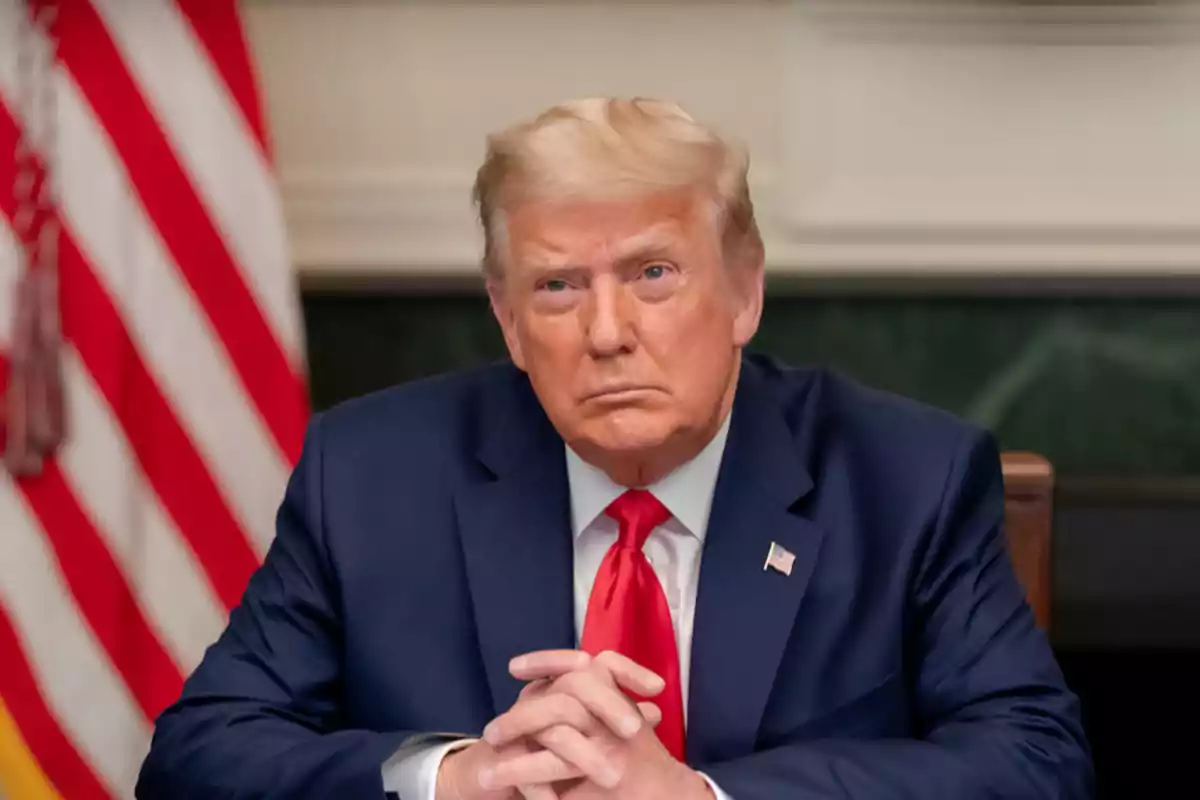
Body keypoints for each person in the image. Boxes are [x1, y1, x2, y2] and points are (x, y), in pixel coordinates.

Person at [136, 97, 1093, 799]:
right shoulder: (374, 476)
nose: (607, 331)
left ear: (744, 295)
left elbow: (1035, 763)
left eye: (654, 273)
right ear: (508, 323)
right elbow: (199, 756)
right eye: (557, 288)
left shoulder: (904, 478)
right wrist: (453, 778)